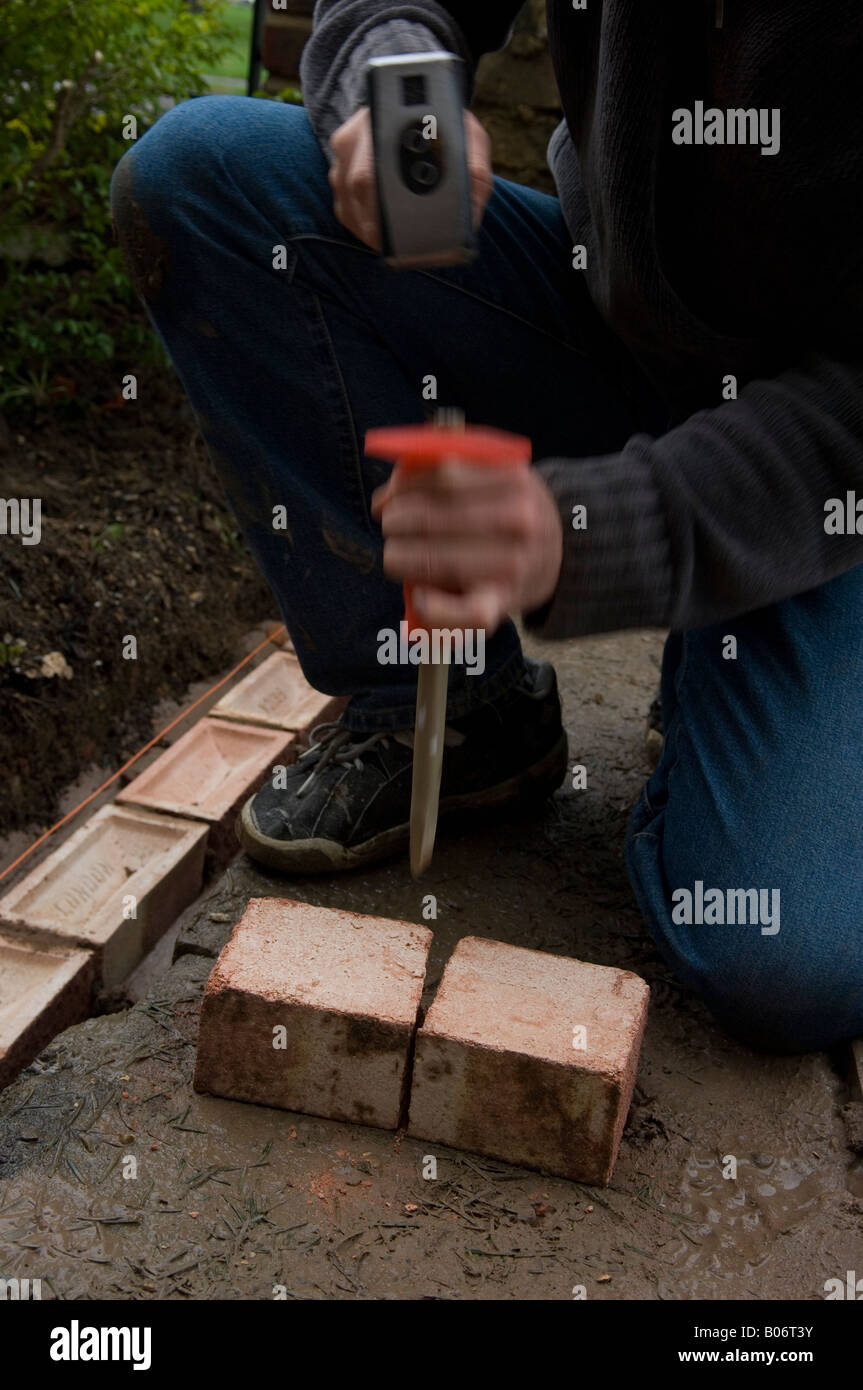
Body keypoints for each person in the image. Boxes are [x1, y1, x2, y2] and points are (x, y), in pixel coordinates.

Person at [110, 1, 863, 1053]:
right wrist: (396, 85)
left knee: (785, 954)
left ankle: (722, 650)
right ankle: (456, 712)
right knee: (204, 177)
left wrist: (597, 535)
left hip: (826, 471)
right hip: (614, 323)